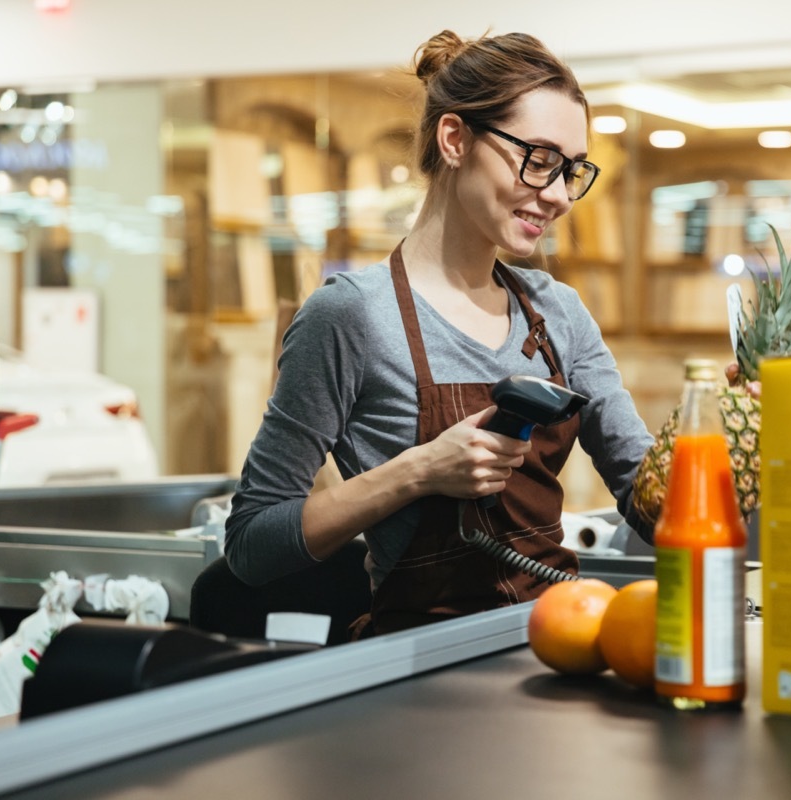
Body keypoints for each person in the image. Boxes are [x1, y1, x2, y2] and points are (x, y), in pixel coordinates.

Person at [224, 29, 654, 637]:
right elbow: (251, 544)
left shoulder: (558, 313)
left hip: (554, 645)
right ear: (455, 139)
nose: (558, 196)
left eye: (572, 170)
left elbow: (652, 505)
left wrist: (737, 445)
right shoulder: (351, 316)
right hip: (419, 672)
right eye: (539, 160)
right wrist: (418, 471)